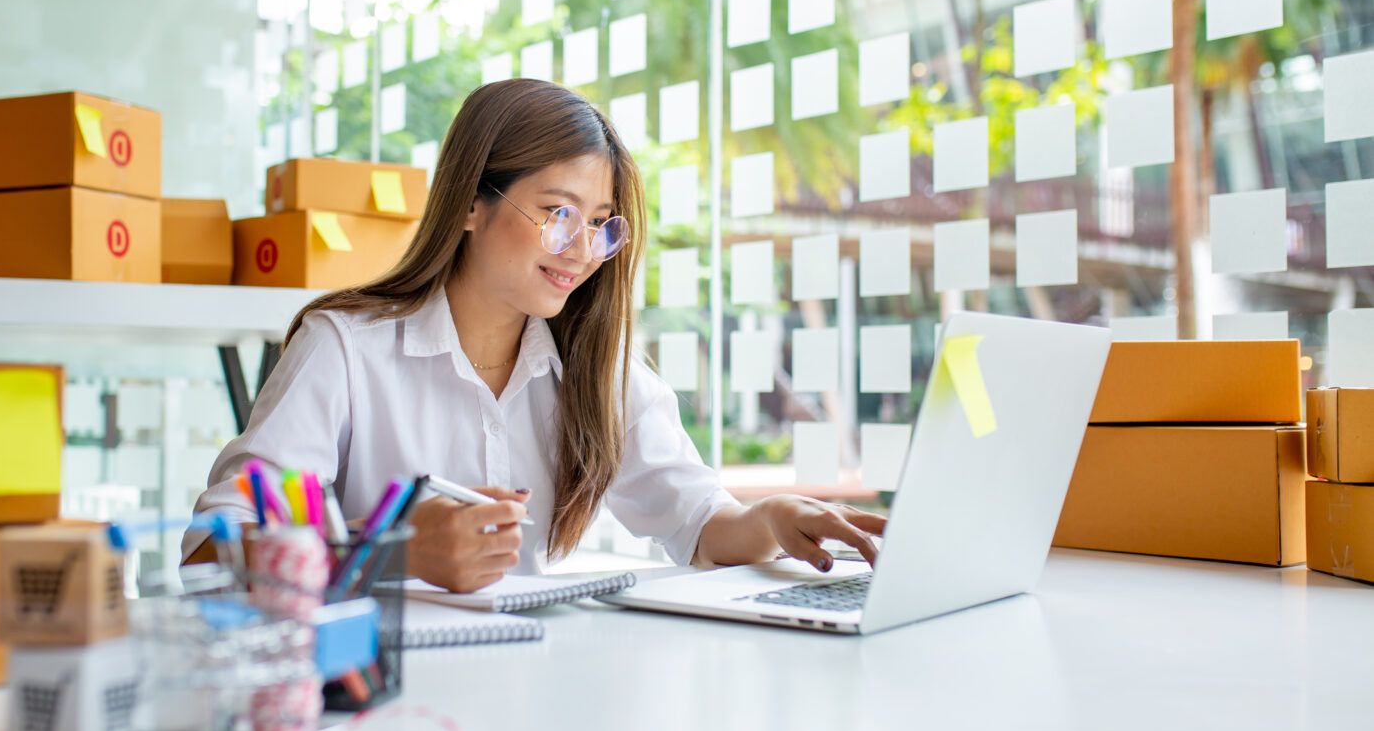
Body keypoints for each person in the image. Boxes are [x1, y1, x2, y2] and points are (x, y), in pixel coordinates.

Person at [183, 78, 886, 591]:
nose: (581, 249)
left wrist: (771, 521)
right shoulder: (345, 351)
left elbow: (699, 521)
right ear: (468, 205)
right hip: (371, 705)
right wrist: (391, 553)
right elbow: (206, 553)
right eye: (557, 213)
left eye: (601, 223)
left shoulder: (596, 368)